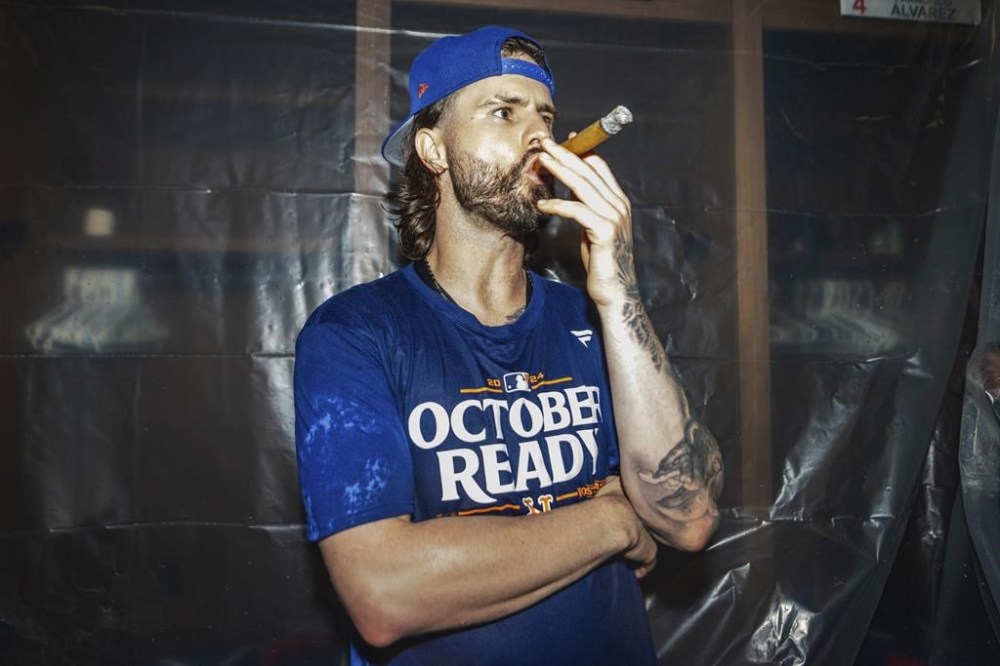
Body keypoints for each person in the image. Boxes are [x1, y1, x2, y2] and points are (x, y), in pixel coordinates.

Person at [294, 25, 723, 665]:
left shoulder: (592, 317)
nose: (540, 139)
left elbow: (688, 517)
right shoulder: (357, 333)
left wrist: (619, 295)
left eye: (546, 117)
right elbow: (385, 594)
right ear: (434, 150)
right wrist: (609, 521)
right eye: (504, 112)